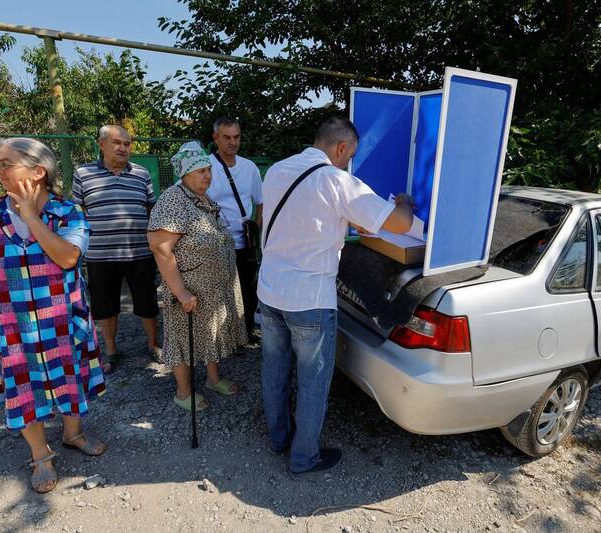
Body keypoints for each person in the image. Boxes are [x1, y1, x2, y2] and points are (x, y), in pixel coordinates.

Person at [258, 117, 414, 475]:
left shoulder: (278, 170)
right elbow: (401, 224)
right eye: (350, 155)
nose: (348, 163)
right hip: (309, 298)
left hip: (270, 290)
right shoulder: (337, 180)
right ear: (341, 148)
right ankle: (304, 457)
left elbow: (294, 218)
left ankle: (279, 438)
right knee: (314, 380)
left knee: (275, 370)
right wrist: (403, 202)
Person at [0, 138, 106, 494]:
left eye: (6, 163)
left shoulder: (67, 213)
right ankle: (40, 455)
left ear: (38, 171)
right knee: (22, 388)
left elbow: (68, 257)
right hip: (11, 325)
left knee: (69, 377)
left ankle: (73, 434)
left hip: (62, 321)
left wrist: (29, 215)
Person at [147, 142, 247, 411]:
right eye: (201, 171)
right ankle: (183, 391)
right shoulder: (173, 199)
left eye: (209, 170)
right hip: (189, 288)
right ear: (185, 173)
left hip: (213, 287)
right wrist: (180, 292)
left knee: (210, 334)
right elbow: (160, 247)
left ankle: (213, 379)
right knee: (184, 339)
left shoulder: (204, 199)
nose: (208, 176)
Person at [72, 125, 161, 372]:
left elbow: (151, 209)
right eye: (117, 143)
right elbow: (78, 211)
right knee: (104, 304)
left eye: (127, 143)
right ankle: (110, 350)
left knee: (147, 299)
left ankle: (153, 344)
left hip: (139, 252)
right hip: (100, 254)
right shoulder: (83, 173)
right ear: (102, 144)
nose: (123, 148)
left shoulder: (141, 174)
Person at [207, 117, 263, 340]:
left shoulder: (249, 168)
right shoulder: (205, 166)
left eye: (236, 137)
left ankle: (246, 331)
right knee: (221, 292)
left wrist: (256, 228)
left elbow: (261, 202)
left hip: (244, 242)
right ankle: (224, 335)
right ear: (216, 138)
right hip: (215, 242)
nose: (232, 142)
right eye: (227, 137)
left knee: (249, 291)